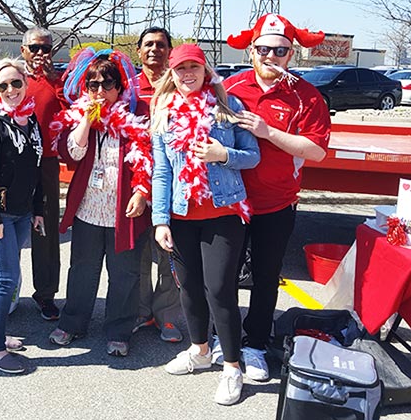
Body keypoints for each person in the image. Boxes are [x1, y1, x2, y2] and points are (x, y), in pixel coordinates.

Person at [220, 14, 330, 381]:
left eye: (280, 51)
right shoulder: (231, 88)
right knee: (225, 276)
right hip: (230, 202)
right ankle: (226, 340)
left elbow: (316, 151)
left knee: (266, 278)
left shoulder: (305, 95)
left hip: (276, 203)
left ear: (291, 54)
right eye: (264, 49)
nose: (271, 57)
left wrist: (269, 133)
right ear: (252, 51)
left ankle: (254, 345)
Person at [152, 44, 260, 405]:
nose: (187, 75)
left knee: (219, 290)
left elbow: (252, 156)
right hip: (182, 216)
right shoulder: (163, 113)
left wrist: (223, 154)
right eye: (180, 69)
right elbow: (163, 172)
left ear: (205, 70)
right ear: (172, 73)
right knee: (189, 288)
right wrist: (160, 220)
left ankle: (232, 367)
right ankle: (199, 350)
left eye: (193, 68)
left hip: (224, 212)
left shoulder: (227, 109)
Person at [46, 49, 153, 358]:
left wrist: (141, 192)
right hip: (89, 209)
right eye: (93, 84)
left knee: (125, 274)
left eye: (108, 84)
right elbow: (72, 154)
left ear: (120, 87)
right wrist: (85, 121)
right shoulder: (78, 116)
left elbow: (149, 158)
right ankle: (73, 322)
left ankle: (119, 330)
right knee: (82, 269)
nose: (100, 91)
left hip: (125, 210)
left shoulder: (136, 116)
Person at [0, 59, 45, 374]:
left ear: (25, 84)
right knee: (7, 278)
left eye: (16, 83)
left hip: (21, 212)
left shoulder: (30, 121)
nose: (10, 90)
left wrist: (39, 210)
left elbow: (37, 170)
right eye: (2, 85)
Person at [132, 26, 182, 343]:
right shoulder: (126, 86)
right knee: (137, 257)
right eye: (148, 44)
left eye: (161, 45)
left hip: (172, 182)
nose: (154, 50)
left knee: (168, 254)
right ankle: (141, 313)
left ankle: (167, 316)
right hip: (135, 184)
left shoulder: (179, 84)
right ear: (138, 51)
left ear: (169, 51)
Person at [20, 27, 67, 321]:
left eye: (45, 49)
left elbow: (70, 112)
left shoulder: (59, 82)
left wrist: (54, 82)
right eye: (34, 48)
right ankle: (1, 291)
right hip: (14, 163)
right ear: (23, 49)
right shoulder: (11, 76)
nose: (40, 54)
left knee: (46, 232)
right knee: (5, 229)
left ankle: (46, 293)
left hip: (46, 164)